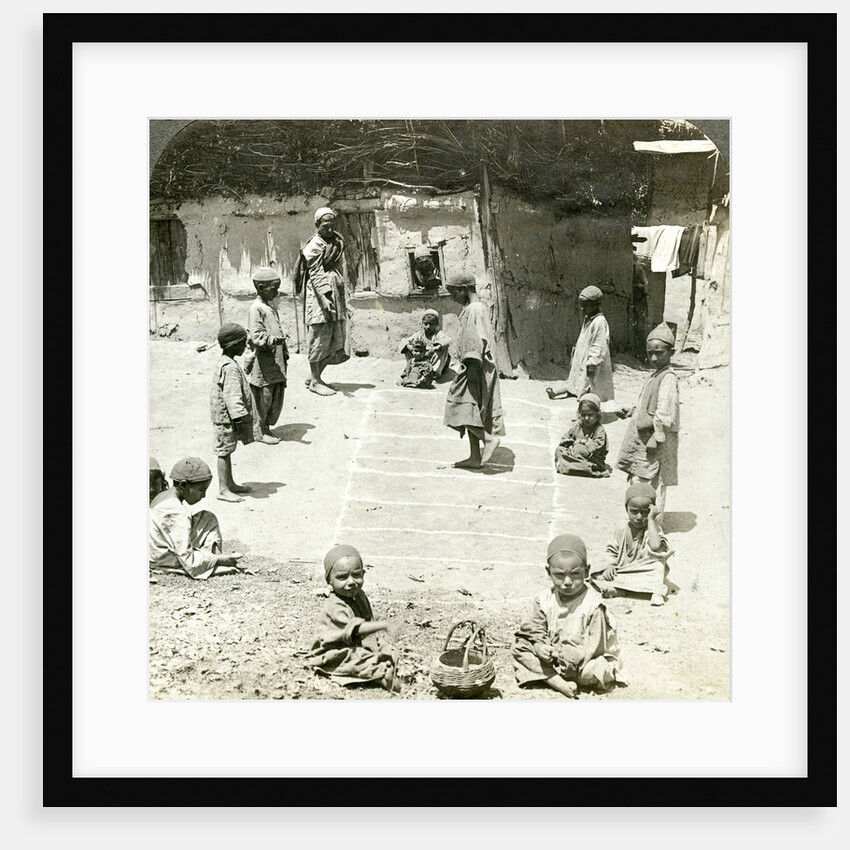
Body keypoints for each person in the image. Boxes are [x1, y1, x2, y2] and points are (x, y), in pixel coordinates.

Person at [512, 534, 624, 698]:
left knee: (597, 669)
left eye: (575, 574)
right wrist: (539, 646)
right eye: (559, 575)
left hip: (582, 661)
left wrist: (569, 658)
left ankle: (548, 676)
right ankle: (558, 682)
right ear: (548, 572)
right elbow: (534, 628)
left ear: (586, 571)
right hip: (552, 657)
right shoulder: (544, 598)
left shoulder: (593, 605)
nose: (567, 582)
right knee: (520, 647)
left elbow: (595, 647)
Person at [308, 544, 400, 692]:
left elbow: (366, 618)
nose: (351, 582)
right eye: (342, 577)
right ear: (329, 581)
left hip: (356, 643)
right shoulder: (335, 605)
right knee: (355, 658)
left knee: (384, 649)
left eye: (356, 575)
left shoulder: (359, 595)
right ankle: (381, 676)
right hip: (335, 649)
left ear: (363, 574)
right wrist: (383, 625)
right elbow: (356, 629)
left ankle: (381, 666)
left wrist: (377, 620)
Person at [616, 323, 680, 515]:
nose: (653, 357)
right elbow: (650, 403)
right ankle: (639, 516)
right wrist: (633, 411)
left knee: (652, 479)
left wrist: (656, 436)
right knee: (639, 476)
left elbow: (665, 412)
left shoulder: (668, 378)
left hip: (654, 441)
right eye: (650, 353)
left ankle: (652, 522)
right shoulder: (656, 375)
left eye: (659, 353)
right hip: (646, 438)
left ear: (671, 352)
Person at [443, 272, 505, 469]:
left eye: (454, 293)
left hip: (474, 366)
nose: (453, 298)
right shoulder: (477, 308)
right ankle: (474, 456)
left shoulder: (473, 310)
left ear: (464, 289)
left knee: (460, 406)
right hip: (477, 365)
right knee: (473, 410)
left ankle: (488, 439)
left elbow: (474, 341)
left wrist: (470, 368)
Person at [149, 457, 244, 579]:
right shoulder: (177, 512)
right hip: (163, 559)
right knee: (192, 556)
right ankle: (210, 565)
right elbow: (185, 555)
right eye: (201, 490)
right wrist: (218, 560)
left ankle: (208, 560)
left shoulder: (162, 496)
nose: (203, 496)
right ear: (183, 485)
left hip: (154, 552)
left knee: (208, 518)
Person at [590, 482, 674, 606]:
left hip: (644, 571)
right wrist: (609, 566)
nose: (639, 517)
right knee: (597, 572)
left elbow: (656, 547)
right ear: (626, 509)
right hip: (624, 571)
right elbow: (610, 551)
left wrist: (651, 520)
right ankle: (623, 589)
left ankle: (648, 591)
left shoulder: (653, 529)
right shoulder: (621, 530)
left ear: (651, 511)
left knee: (658, 566)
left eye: (645, 512)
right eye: (634, 512)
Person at [301, 207, 350, 396]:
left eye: (332, 225)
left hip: (335, 294)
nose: (329, 229)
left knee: (333, 336)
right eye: (325, 226)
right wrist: (324, 297)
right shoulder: (314, 245)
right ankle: (315, 381)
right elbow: (315, 273)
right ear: (317, 225)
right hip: (319, 295)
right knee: (319, 335)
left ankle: (315, 376)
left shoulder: (336, 242)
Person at [545, 285, 615, 402]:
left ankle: (583, 415)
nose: (582, 309)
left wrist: (592, 363)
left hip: (592, 363)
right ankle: (559, 392)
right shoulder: (589, 318)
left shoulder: (599, 322)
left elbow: (599, 346)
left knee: (590, 391)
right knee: (577, 382)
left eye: (585, 305)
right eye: (581, 305)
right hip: (583, 360)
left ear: (595, 304)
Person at [210, 322, 254, 503]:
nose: (245, 346)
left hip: (224, 416)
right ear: (234, 345)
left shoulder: (225, 362)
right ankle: (223, 489)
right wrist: (240, 417)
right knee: (224, 451)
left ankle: (230, 483)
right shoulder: (231, 368)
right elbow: (232, 395)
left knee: (228, 450)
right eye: (243, 343)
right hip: (227, 418)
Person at [245, 266, 288, 445]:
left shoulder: (269, 306)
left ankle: (266, 428)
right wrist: (273, 341)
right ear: (261, 288)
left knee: (274, 397)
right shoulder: (256, 308)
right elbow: (257, 336)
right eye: (273, 287)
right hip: (263, 363)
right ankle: (259, 431)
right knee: (264, 398)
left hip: (274, 362)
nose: (277, 291)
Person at [554, 392, 611, 477]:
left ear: (597, 414)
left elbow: (596, 447)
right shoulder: (578, 425)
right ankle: (574, 466)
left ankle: (586, 468)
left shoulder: (599, 430)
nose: (586, 418)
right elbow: (565, 438)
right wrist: (573, 443)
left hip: (592, 459)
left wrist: (585, 443)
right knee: (559, 450)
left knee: (579, 449)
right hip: (573, 453)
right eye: (583, 415)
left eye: (590, 415)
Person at [400, 308, 452, 378]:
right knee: (406, 347)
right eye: (426, 324)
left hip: (432, 360)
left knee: (443, 348)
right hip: (420, 359)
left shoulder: (438, 334)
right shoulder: (419, 334)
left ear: (436, 324)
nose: (428, 327)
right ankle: (414, 368)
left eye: (431, 324)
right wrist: (410, 348)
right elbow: (404, 341)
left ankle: (434, 372)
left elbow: (447, 340)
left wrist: (435, 348)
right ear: (422, 323)